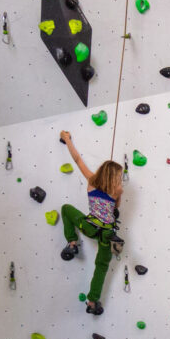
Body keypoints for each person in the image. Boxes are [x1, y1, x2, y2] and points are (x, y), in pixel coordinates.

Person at [59, 131, 124, 316]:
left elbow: (77, 159)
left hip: (89, 227)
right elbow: (115, 209)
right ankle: (92, 301)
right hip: (106, 234)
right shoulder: (117, 189)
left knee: (65, 208)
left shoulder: (91, 180)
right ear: (115, 177)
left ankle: (72, 243)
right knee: (101, 267)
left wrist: (67, 139)